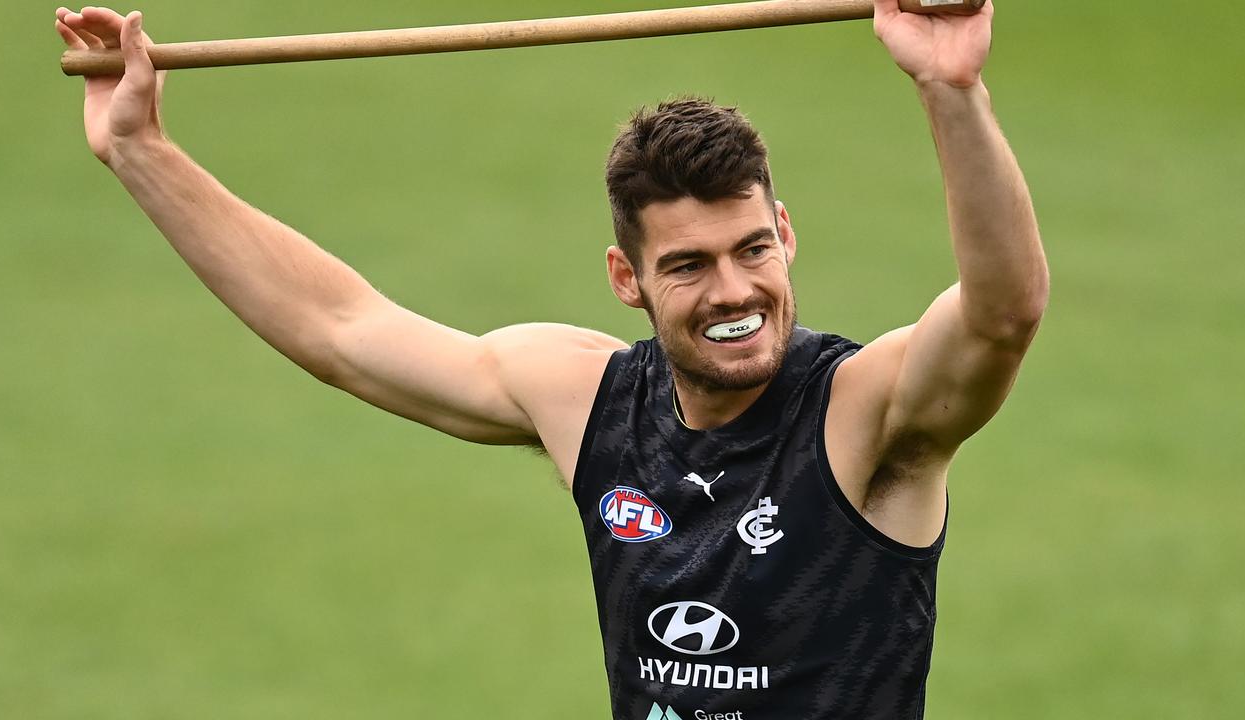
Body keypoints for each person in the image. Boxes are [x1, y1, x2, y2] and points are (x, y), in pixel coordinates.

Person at [55, 2, 1046, 718]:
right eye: (688, 266)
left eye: (751, 249)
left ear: (784, 232)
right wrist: (140, 149)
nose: (735, 291)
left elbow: (999, 318)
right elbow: (341, 333)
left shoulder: (860, 415)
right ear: (627, 277)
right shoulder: (586, 399)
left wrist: (948, 88)